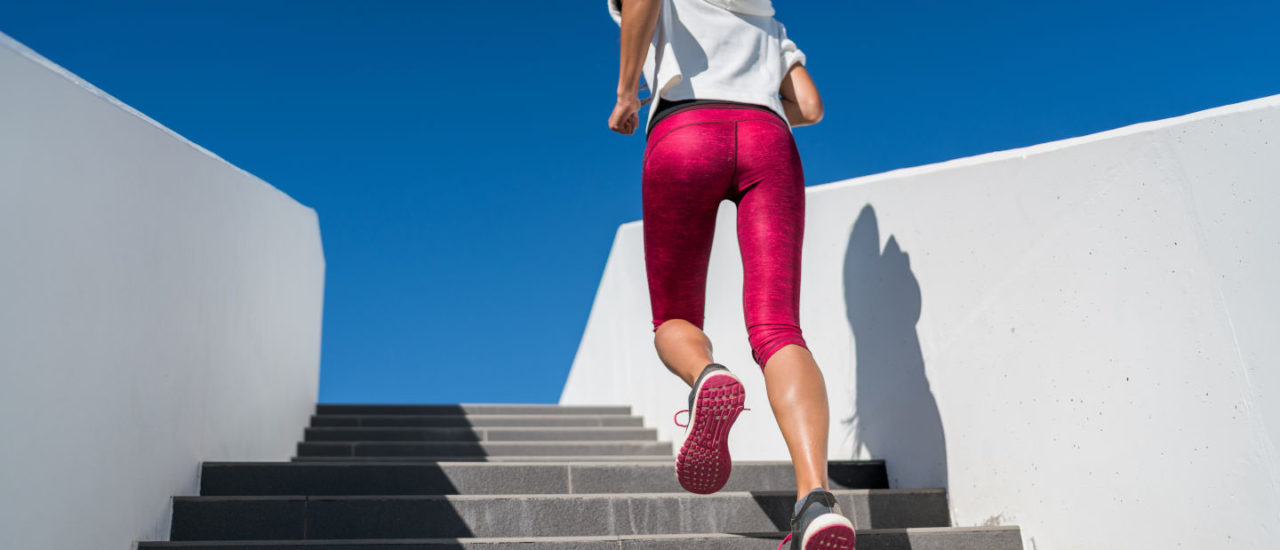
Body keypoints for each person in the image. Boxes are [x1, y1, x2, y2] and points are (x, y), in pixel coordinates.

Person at [605, 1, 854, 549]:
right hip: (768, 138)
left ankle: (707, 377)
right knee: (778, 329)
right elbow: (809, 106)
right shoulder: (767, 18)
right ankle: (816, 500)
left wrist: (627, 92)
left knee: (674, 318)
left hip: (685, 127)